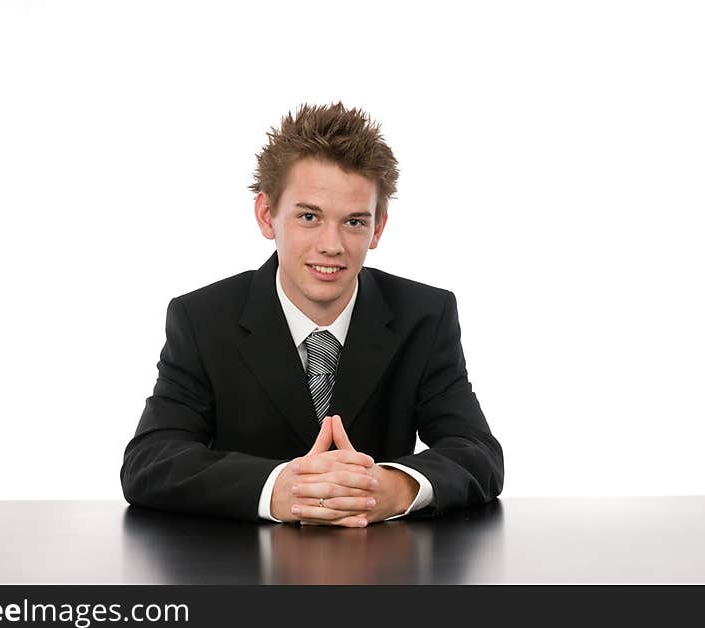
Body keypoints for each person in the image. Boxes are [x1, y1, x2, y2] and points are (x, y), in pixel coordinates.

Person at [120, 101, 504, 527]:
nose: (331, 245)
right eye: (309, 217)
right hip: (241, 573)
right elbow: (150, 461)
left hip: (381, 573)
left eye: (355, 222)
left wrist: (392, 488)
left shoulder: (425, 316)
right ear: (268, 215)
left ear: (378, 228)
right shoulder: (201, 318)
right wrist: (279, 489)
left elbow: (477, 451)